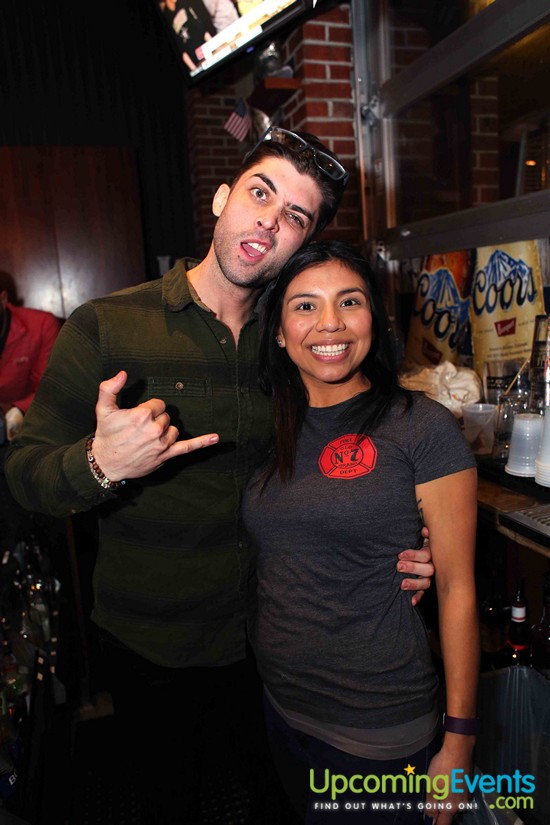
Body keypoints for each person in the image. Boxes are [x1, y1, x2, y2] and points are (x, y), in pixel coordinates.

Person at [5, 130, 434, 824]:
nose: (269, 220)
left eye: (295, 216)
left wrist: (414, 533)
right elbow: (23, 475)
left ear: (304, 242)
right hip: (151, 649)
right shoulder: (107, 326)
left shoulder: (297, 338)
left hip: (276, 646)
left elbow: (363, 440)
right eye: (261, 194)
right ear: (221, 198)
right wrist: (99, 464)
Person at [242, 240, 479, 824]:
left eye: (349, 301)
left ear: (374, 316)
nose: (331, 323)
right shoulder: (271, 426)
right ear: (278, 332)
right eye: (305, 306)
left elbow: (457, 590)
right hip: (281, 705)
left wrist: (459, 741)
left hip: (376, 728)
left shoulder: (421, 427)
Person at [0, 271, 61, 549]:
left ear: (3, 299)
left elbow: (52, 388)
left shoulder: (41, 325)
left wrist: (16, 408)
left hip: (34, 435)